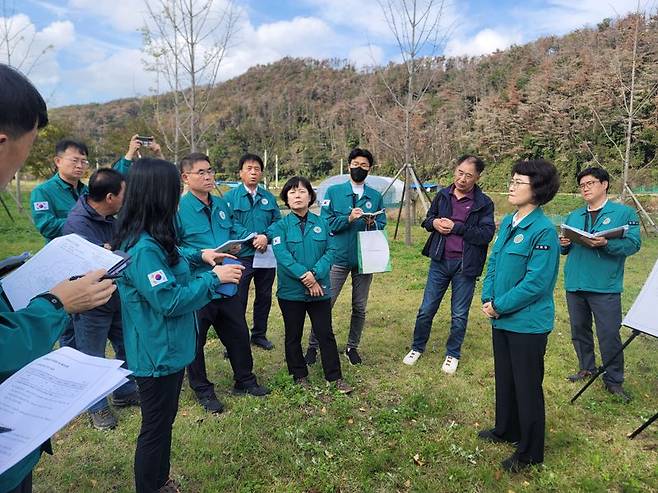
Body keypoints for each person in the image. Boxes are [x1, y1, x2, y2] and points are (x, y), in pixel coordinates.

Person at [0, 63, 116, 493]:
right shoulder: (47, 193)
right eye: (21, 156)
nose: (15, 173)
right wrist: (54, 303)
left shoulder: (83, 189)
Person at [113, 158, 241, 493]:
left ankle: (160, 480)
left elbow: (175, 256)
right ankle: (150, 486)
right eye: (174, 187)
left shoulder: (155, 236)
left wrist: (202, 257)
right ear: (159, 193)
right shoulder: (142, 249)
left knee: (163, 423)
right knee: (155, 428)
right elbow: (168, 300)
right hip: (156, 354)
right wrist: (213, 279)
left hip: (168, 349)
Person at [478, 159, 560, 473]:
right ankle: (506, 429)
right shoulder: (511, 221)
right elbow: (495, 262)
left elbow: (537, 283)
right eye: (511, 180)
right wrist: (488, 297)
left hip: (527, 322)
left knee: (527, 386)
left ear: (537, 190)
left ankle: (530, 452)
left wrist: (500, 305)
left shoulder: (543, 231)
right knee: (506, 379)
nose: (511, 187)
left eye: (518, 182)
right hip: (501, 316)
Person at [177, 153, 269, 414]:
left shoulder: (220, 205)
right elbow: (172, 248)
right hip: (198, 284)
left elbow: (233, 231)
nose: (208, 177)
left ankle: (245, 380)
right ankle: (203, 390)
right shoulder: (179, 211)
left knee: (238, 332)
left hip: (227, 281)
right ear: (186, 177)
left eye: (210, 171)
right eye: (201, 173)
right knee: (196, 342)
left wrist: (251, 238)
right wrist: (200, 255)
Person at [61, 168, 140, 430]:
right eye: (124, 194)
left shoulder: (112, 216)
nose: (126, 199)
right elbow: (101, 266)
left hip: (115, 295)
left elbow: (122, 251)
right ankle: (97, 407)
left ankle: (125, 390)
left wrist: (113, 252)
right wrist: (114, 254)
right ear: (109, 197)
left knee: (126, 346)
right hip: (90, 303)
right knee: (91, 357)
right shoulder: (77, 225)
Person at [403, 155, 495, 373]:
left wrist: (457, 227)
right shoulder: (443, 195)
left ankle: (452, 353)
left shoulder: (483, 203)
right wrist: (434, 222)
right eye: (460, 172)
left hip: (466, 265)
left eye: (468, 175)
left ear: (477, 177)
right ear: (455, 170)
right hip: (440, 261)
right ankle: (417, 347)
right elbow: (427, 220)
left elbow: (486, 234)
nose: (462, 179)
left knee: (459, 313)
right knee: (426, 309)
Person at [560, 167, 641, 401]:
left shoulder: (624, 213)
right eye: (582, 185)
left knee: (608, 334)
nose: (585, 188)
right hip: (575, 282)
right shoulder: (574, 215)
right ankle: (587, 367)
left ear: (604, 184)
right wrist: (564, 242)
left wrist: (606, 244)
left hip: (604, 285)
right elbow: (565, 249)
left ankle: (614, 380)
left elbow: (633, 245)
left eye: (590, 183)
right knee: (579, 329)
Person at [271, 176, 352, 393]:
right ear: (286, 198)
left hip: (320, 289)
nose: (297, 195)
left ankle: (334, 377)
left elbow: (331, 251)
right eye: (292, 192)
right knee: (293, 335)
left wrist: (314, 275)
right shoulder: (279, 226)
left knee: (325, 333)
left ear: (310, 196)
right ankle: (299, 375)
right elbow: (283, 256)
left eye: (302, 191)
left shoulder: (322, 223)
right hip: (291, 292)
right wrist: (305, 277)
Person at [305, 148, 386, 366]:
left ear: (370, 169)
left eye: (364, 165)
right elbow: (326, 222)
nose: (359, 168)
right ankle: (313, 346)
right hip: (337, 256)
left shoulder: (375, 196)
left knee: (359, 306)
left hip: (364, 258)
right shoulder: (333, 192)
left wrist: (373, 223)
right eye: (356, 164)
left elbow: (383, 222)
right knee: (325, 302)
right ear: (348, 164)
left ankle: (352, 347)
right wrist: (348, 218)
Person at [30, 138, 90, 349]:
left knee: (91, 320)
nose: (80, 166)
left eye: (84, 161)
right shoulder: (43, 192)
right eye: (75, 160)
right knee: (69, 323)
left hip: (89, 262)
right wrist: (84, 222)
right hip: (62, 264)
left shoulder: (87, 191)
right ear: (58, 160)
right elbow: (47, 225)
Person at [225, 153, 281, 350]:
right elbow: (229, 223)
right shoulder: (230, 198)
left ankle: (259, 334)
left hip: (266, 253)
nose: (253, 172)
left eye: (257, 169)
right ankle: (235, 338)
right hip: (242, 255)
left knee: (264, 296)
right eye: (249, 168)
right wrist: (252, 237)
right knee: (237, 297)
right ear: (240, 173)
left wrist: (266, 236)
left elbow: (278, 221)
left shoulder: (268, 197)